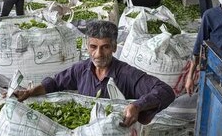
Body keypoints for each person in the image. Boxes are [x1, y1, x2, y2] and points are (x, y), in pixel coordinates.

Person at [14, 20, 176, 127]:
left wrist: (136, 106)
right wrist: (30, 91)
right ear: (87, 46)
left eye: (105, 47)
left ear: (114, 48)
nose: (98, 54)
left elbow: (165, 91)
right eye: (93, 47)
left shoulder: (126, 74)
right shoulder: (81, 69)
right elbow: (56, 83)